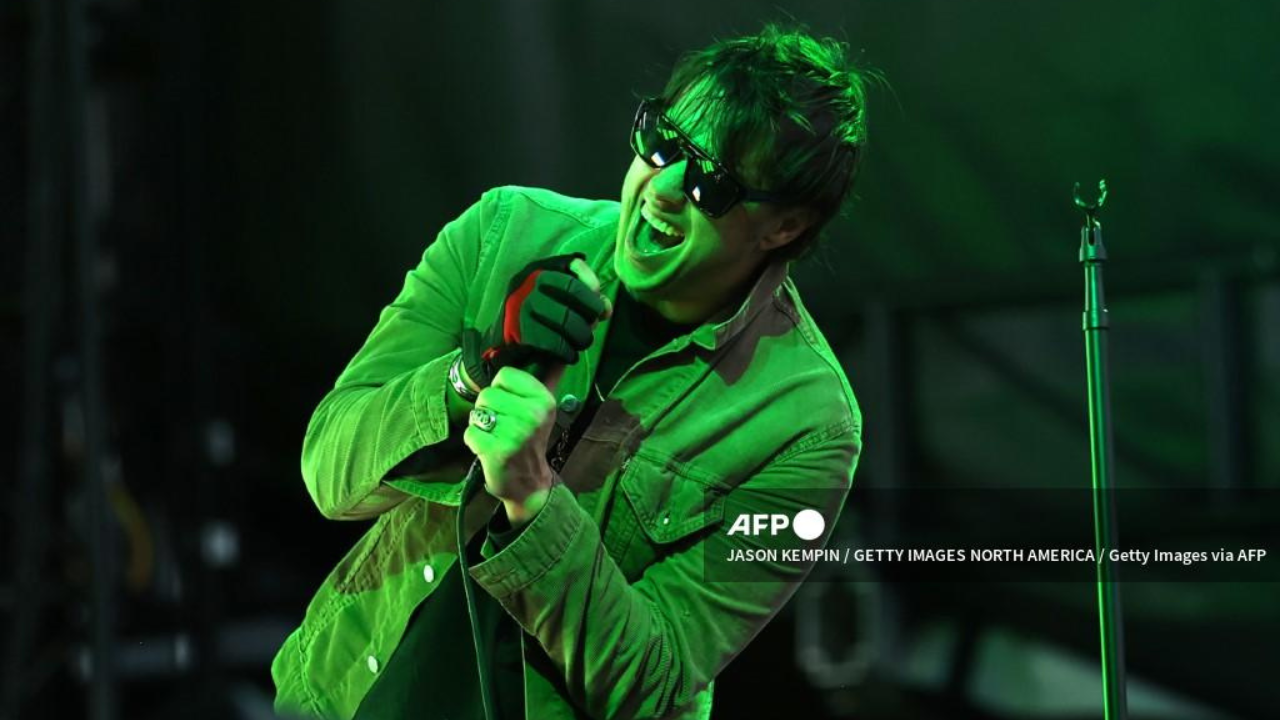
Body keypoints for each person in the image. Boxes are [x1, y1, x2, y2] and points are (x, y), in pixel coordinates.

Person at [272, 23, 869, 720]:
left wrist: (531, 500)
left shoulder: (807, 423)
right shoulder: (502, 231)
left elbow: (650, 685)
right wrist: (468, 377)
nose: (664, 186)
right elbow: (328, 474)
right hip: (346, 697)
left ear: (783, 228)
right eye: (664, 141)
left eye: (713, 182)